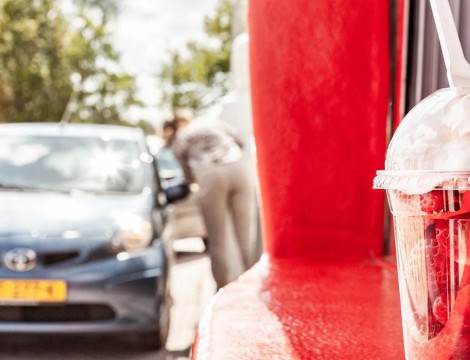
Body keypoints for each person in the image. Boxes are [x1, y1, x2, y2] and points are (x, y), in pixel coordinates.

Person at [169, 111, 256, 290]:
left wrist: (193, 183)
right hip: (237, 168)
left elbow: (187, 175)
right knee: (245, 236)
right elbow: (240, 141)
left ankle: (223, 288)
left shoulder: (181, 137)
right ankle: (254, 282)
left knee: (217, 240)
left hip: (210, 175)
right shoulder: (210, 121)